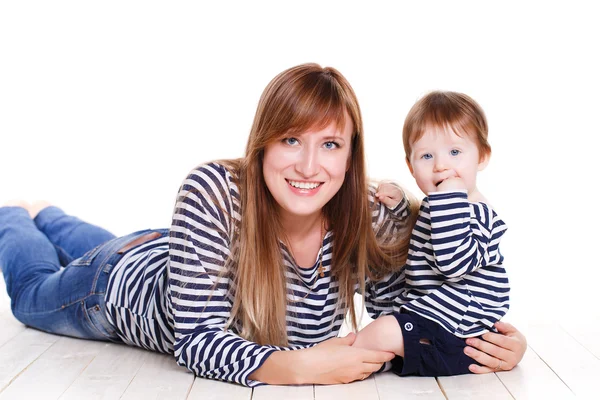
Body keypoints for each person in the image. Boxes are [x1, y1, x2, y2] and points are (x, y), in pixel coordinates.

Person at [0, 65, 526, 387]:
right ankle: (15, 216)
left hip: (175, 256)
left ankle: (51, 213)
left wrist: (498, 346)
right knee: (30, 291)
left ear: (350, 158)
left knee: (96, 237)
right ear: (263, 143)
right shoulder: (211, 189)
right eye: (291, 140)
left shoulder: (367, 212)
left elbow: (409, 317)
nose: (308, 166)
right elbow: (197, 341)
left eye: (330, 145)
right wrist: (297, 367)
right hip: (114, 286)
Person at [354, 91, 514, 376]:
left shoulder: (474, 212)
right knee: (379, 338)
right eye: (427, 156)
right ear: (411, 167)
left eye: (455, 152)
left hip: (458, 330)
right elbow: (423, 241)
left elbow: (452, 264)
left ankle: (344, 361)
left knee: (379, 334)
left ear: (482, 156)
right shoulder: (439, 207)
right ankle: (380, 358)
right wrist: (401, 206)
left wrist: (450, 197)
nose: (441, 165)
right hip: (435, 320)